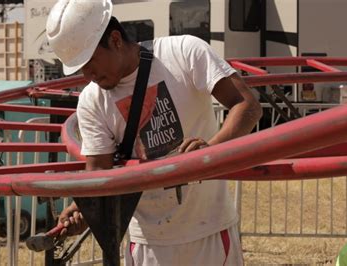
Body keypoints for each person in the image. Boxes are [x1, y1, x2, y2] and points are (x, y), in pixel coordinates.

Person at [46, 0, 262, 265]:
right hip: (147, 245)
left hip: (210, 232)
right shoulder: (92, 101)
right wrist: (86, 210)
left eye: (89, 62)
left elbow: (247, 105)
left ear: (115, 39)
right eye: (80, 68)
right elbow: (99, 177)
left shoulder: (183, 53)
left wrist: (210, 152)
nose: (87, 75)